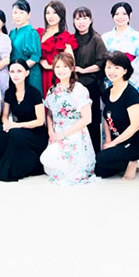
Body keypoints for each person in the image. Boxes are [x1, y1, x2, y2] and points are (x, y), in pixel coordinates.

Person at [0, 60, 48, 182]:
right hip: (19, 129)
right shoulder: (9, 92)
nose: (15, 75)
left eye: (19, 71)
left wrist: (16, 125)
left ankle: (13, 169)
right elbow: (4, 116)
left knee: (15, 133)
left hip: (36, 132)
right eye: (12, 71)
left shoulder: (34, 93)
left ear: (27, 73)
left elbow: (40, 121)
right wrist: (6, 124)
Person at [40, 53, 96, 185]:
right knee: (47, 162)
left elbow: (87, 119)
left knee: (70, 171)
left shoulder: (79, 89)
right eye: (58, 67)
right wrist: (51, 132)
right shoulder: (52, 90)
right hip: (56, 132)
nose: (61, 70)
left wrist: (64, 134)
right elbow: (49, 113)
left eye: (65, 66)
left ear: (72, 68)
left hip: (75, 131)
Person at [95, 52, 139, 179]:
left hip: (134, 143)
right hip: (117, 142)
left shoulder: (131, 95)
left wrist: (113, 144)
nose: (111, 71)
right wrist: (108, 141)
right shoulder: (107, 93)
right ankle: (125, 162)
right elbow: (106, 118)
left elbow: (135, 126)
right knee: (100, 171)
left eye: (116, 68)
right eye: (109, 67)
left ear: (125, 70)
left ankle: (132, 161)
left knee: (101, 158)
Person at [72, 7, 107, 153]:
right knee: (75, 120)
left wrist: (83, 70)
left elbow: (102, 62)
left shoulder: (96, 39)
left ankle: (94, 155)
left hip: (91, 84)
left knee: (91, 121)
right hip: (74, 85)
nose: (81, 22)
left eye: (84, 18)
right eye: (78, 18)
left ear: (90, 20)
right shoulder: (71, 39)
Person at [101, 2, 139, 98]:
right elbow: (102, 61)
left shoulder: (138, 37)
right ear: (112, 16)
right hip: (111, 80)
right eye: (116, 14)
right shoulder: (105, 37)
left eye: (124, 14)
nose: (120, 17)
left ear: (130, 15)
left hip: (132, 80)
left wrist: (124, 75)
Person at [37, 0, 78, 97]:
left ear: (61, 15)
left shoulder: (64, 36)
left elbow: (71, 62)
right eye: (48, 13)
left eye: (54, 13)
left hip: (55, 76)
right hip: (39, 75)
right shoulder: (39, 33)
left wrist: (49, 66)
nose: (50, 16)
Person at [9, 0, 42, 94]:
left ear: (28, 15)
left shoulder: (31, 32)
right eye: (15, 12)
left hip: (30, 75)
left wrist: (20, 70)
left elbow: (35, 57)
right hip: (15, 76)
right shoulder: (12, 32)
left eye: (21, 12)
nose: (17, 16)